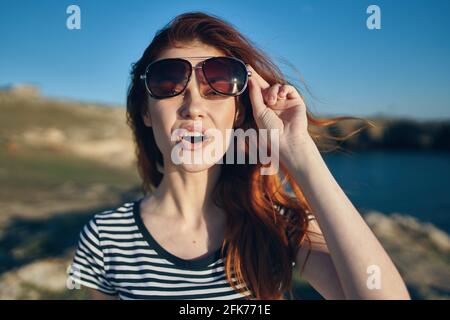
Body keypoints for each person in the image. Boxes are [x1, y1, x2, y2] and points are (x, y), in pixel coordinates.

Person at [68, 11, 410, 300]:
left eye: (216, 85)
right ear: (146, 111)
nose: (194, 107)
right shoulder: (105, 236)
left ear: (237, 112)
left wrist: (298, 151)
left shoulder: (276, 225)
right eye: (169, 84)